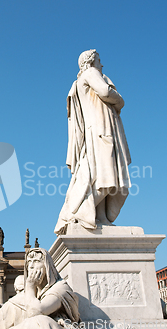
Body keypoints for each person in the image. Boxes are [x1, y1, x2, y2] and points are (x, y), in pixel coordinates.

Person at [55, 50, 131, 235]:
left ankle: (101, 217)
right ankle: (78, 212)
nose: (102, 64)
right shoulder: (90, 73)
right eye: (99, 60)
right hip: (101, 130)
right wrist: (120, 100)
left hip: (95, 131)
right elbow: (105, 92)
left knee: (102, 174)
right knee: (104, 174)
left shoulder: (78, 82)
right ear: (90, 62)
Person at [0, 248, 82, 329]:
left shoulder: (60, 288)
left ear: (47, 266)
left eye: (37, 261)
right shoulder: (31, 293)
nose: (31, 266)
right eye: (29, 262)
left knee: (40, 321)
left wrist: (29, 286)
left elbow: (36, 311)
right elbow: (0, 318)